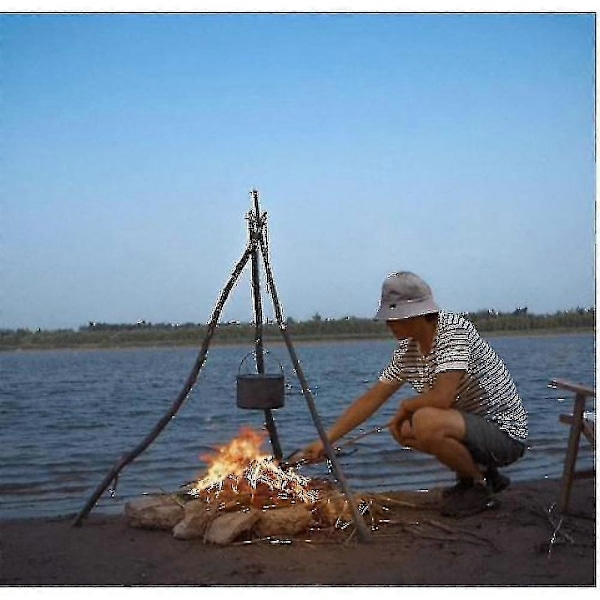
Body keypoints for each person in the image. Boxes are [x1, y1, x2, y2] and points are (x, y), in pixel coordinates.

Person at [300, 271, 528, 518]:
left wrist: (406, 406)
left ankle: (478, 488)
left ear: (418, 314)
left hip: (505, 435)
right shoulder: (408, 350)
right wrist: (327, 439)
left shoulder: (453, 331)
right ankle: (480, 476)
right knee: (403, 429)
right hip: (471, 429)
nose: (389, 324)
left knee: (424, 420)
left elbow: (441, 398)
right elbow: (372, 398)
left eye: (395, 317)